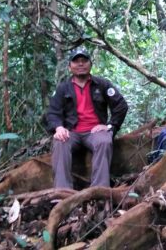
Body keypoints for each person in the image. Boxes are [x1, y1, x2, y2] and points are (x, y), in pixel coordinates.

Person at [46, 48, 128, 189]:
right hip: (72, 132)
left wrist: (110, 126)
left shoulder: (102, 84)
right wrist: (59, 127)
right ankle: (62, 192)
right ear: (69, 66)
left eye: (84, 61)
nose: (80, 64)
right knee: (60, 142)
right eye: (76, 61)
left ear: (90, 64)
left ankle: (99, 191)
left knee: (104, 140)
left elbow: (121, 106)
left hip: (94, 132)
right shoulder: (63, 88)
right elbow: (52, 112)